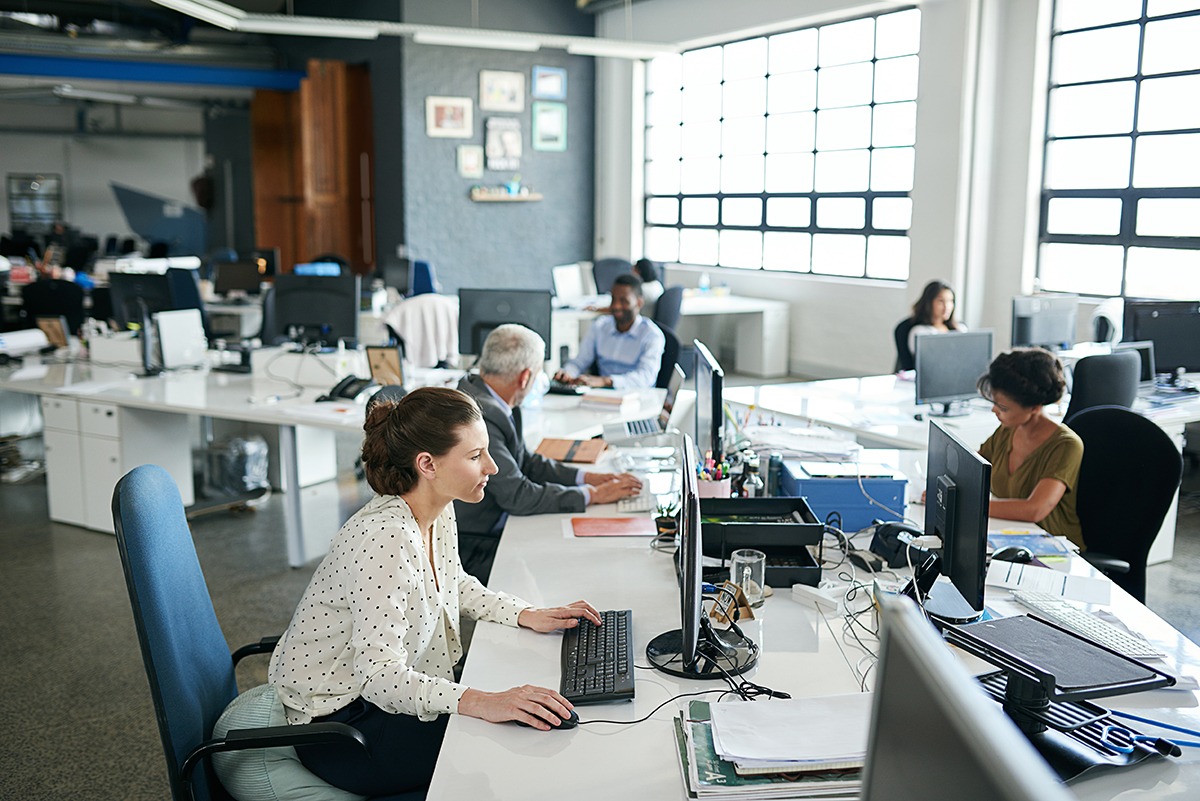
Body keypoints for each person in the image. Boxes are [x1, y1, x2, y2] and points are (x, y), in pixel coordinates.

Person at [268, 386, 603, 797]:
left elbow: (452, 581)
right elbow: (379, 677)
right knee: (511, 752)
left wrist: (525, 612)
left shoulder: (437, 509)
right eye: (476, 455)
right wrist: (482, 701)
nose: (493, 467)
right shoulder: (386, 539)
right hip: (343, 727)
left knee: (527, 717)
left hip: (382, 699)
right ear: (427, 464)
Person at [456, 324, 643, 579]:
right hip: (476, 542)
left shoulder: (491, 396)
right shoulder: (482, 415)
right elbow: (518, 495)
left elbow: (526, 462)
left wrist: (586, 478)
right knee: (567, 564)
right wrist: (593, 495)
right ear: (525, 378)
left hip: (497, 524)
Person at [976, 348, 1084, 547]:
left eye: (1003, 407)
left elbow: (1035, 509)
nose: (994, 410)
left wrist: (973, 505)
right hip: (1009, 537)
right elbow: (972, 467)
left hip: (1051, 548)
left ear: (1035, 408)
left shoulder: (1066, 445)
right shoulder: (1008, 429)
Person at [554, 273, 666, 389]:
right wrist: (568, 373)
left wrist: (606, 381)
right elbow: (580, 361)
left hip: (637, 397)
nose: (616, 306)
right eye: (613, 299)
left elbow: (645, 378)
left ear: (639, 303)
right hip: (603, 395)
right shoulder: (600, 326)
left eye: (624, 301)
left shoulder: (652, 335)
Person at [907, 279, 967, 355]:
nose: (947, 307)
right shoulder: (920, 332)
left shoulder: (960, 328)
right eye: (941, 301)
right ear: (929, 303)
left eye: (950, 301)